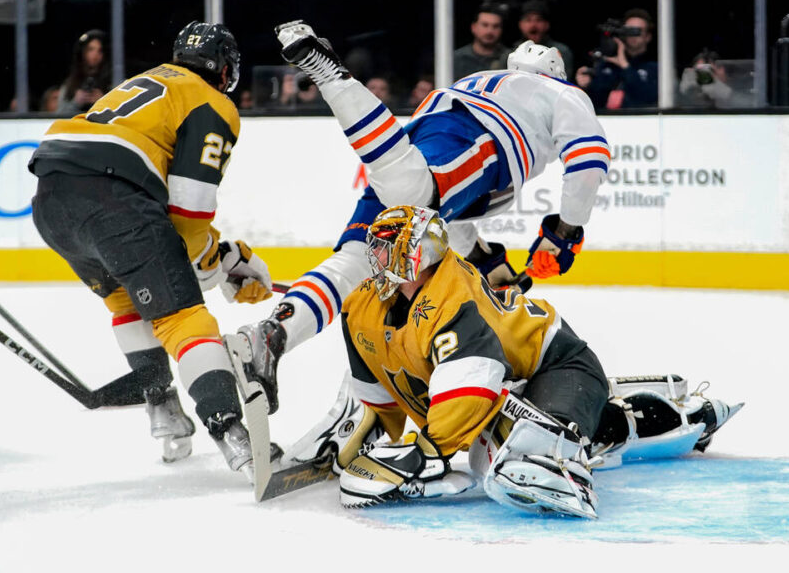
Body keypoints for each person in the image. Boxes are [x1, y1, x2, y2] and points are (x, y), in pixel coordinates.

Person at [229, 21, 610, 417]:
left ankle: (271, 336)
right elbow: (588, 160)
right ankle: (332, 78)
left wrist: (485, 262)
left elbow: (449, 217)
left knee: (359, 263)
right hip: (477, 137)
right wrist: (566, 232)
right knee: (415, 191)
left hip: (426, 133)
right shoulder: (562, 92)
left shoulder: (479, 79)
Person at [284, 205, 743, 516]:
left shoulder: (450, 296)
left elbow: (471, 387)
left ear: (417, 253)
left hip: (555, 362)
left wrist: (427, 454)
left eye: (389, 246)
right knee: (502, 446)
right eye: (376, 245)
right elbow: (378, 395)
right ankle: (604, 414)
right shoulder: (362, 307)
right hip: (501, 381)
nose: (377, 256)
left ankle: (672, 417)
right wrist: (356, 441)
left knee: (539, 455)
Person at [29, 22, 276, 475]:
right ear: (225, 70)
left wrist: (222, 260)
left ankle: (162, 410)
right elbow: (188, 213)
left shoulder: (150, 80)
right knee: (182, 314)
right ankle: (233, 435)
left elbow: (171, 228)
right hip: (111, 198)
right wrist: (218, 267)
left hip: (51, 201)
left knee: (126, 297)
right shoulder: (212, 100)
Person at [576, 8, 657, 109]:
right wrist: (585, 86)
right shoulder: (608, 64)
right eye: (628, 30)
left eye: (636, 31)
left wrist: (625, 66)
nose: (632, 35)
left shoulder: (655, 67)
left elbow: (648, 99)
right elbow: (593, 103)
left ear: (648, 36)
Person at [512, 0, 574, 80]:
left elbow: (565, 82)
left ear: (547, 25)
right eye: (528, 20)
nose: (533, 25)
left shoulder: (561, 51)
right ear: (520, 25)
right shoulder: (512, 53)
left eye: (539, 20)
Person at [55, 29, 111, 115]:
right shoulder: (70, 84)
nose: (95, 55)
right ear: (82, 52)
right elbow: (58, 115)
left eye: (100, 51)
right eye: (90, 49)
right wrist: (75, 102)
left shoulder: (112, 82)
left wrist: (103, 101)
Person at [453, 4, 509, 80]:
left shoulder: (509, 59)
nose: (490, 31)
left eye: (495, 26)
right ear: (473, 27)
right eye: (485, 25)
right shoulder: (456, 59)